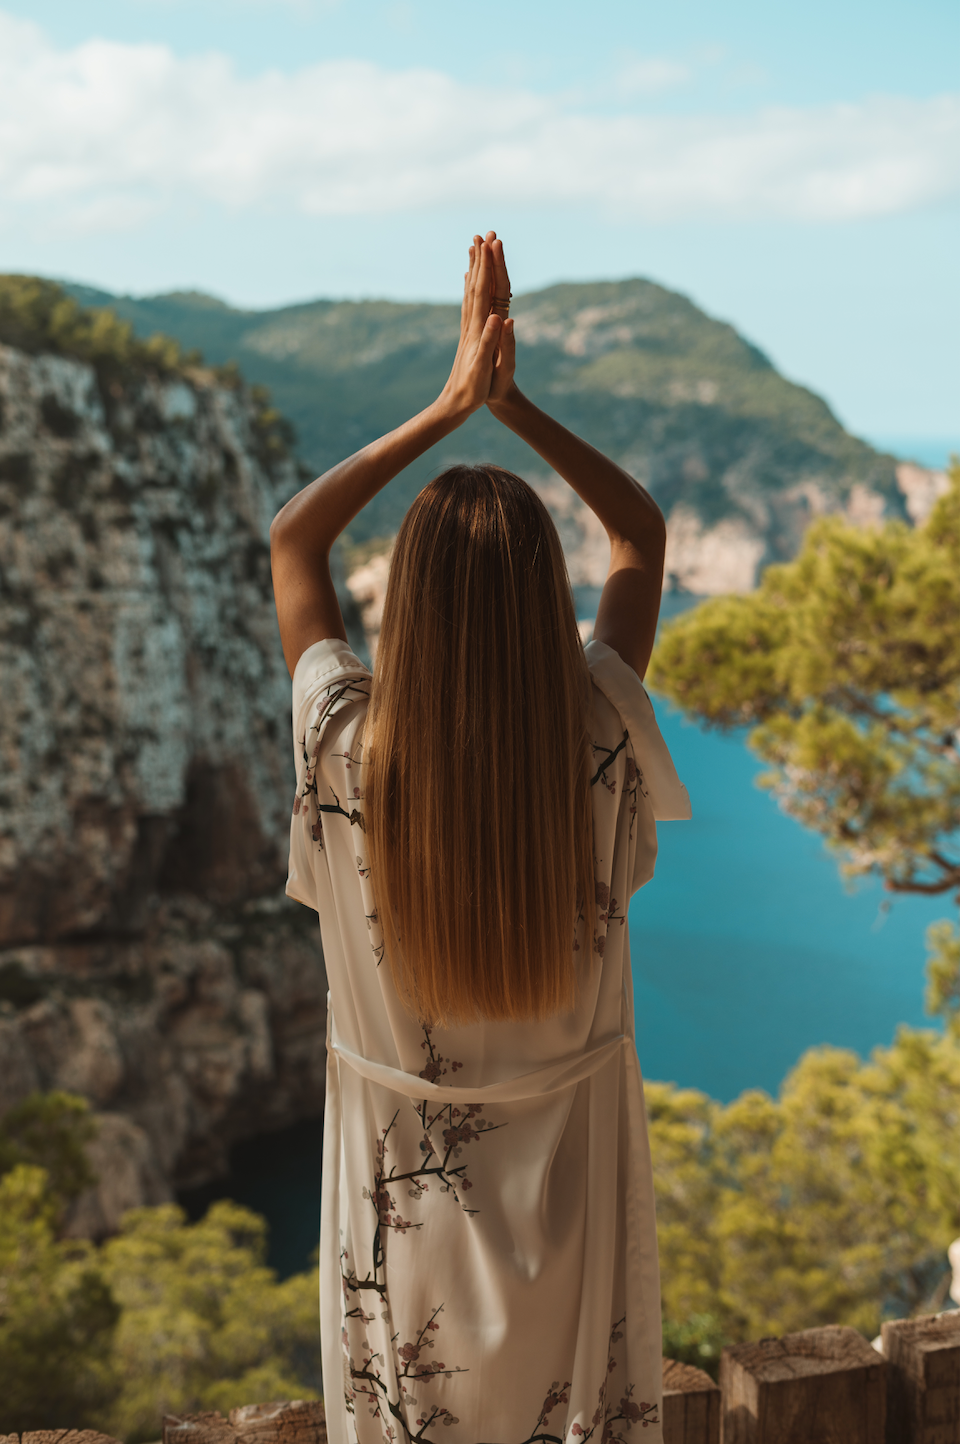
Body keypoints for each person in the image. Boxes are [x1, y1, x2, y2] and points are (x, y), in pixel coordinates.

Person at [270, 232, 690, 1444]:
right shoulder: (601, 741)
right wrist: (519, 409)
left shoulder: (344, 751)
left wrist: (450, 404)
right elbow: (643, 539)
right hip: (571, 1209)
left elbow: (297, 540)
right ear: (536, 609)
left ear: (410, 603)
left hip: (406, 1227)